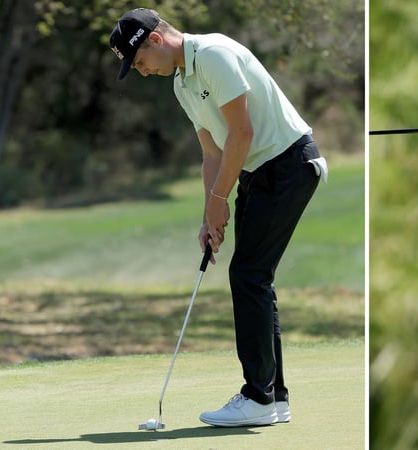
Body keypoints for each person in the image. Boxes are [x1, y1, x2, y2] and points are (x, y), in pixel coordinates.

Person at [109, 8, 327, 427]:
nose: (141, 72)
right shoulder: (181, 83)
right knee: (254, 276)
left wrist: (221, 198)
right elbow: (212, 152)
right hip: (258, 172)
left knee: (248, 275)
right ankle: (274, 397)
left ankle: (258, 397)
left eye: (138, 62)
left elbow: (241, 133)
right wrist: (209, 213)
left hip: (288, 164)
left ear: (155, 40)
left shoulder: (212, 54)